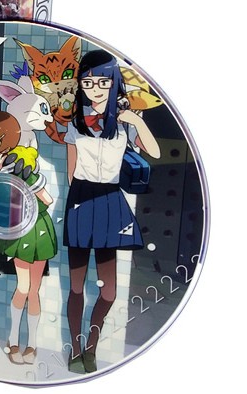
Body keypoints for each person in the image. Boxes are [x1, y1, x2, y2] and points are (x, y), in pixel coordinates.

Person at [63, 50, 160, 374]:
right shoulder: (76, 123)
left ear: (114, 82)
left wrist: (136, 121)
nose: (96, 88)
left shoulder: (124, 124)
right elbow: (70, 170)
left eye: (103, 81)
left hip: (110, 200)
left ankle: (91, 346)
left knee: (109, 290)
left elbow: (155, 151)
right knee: (76, 286)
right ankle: (75, 348)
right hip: (82, 197)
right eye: (89, 82)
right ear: (81, 84)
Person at [0, 111, 57, 365]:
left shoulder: (20, 163)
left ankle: (31, 344)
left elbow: (46, 198)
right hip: (17, 231)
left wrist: (27, 189)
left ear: (6, 143)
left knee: (32, 290)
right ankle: (14, 340)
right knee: (24, 287)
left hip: (35, 229)